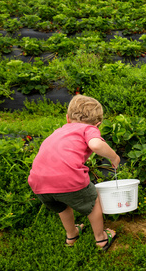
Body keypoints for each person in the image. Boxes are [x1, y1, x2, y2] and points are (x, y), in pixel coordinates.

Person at [28, 94, 120, 251]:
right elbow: (96, 145)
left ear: (67, 118)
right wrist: (114, 157)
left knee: (62, 206)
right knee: (93, 202)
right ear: (97, 125)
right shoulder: (88, 129)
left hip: (38, 182)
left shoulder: (59, 131)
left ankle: (72, 235)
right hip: (68, 179)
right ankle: (101, 239)